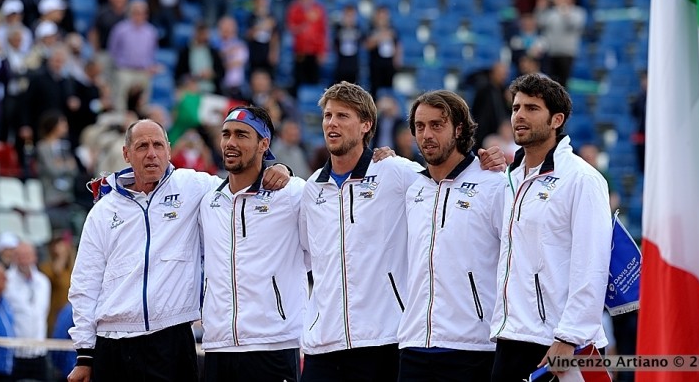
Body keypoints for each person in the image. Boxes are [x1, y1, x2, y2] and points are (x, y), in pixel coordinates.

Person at [299, 82, 505, 381]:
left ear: (366, 125)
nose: (332, 122)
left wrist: (489, 162)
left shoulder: (397, 173)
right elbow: (309, 253)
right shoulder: (311, 188)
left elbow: (446, 175)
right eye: (328, 115)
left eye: (343, 116)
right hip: (323, 342)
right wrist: (276, 167)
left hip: (385, 337)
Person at [67, 119, 291, 382]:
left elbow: (241, 182)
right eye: (142, 146)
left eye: (158, 145)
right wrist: (85, 354)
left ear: (169, 150)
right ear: (126, 154)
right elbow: (85, 282)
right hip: (113, 342)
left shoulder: (194, 187)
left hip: (172, 339)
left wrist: (277, 167)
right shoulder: (104, 210)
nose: (152, 153)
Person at [490, 73, 612, 382]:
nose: (519, 115)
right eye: (516, 108)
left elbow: (592, 263)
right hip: (511, 336)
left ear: (556, 119)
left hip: (561, 343)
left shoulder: (582, 179)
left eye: (531, 108)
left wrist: (570, 335)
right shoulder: (510, 180)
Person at [398, 90, 505, 380]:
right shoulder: (414, 189)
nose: (427, 134)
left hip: (472, 346)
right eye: (420, 127)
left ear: (458, 129)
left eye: (436, 125)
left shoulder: (493, 184)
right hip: (414, 343)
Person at [199, 106, 308, 381]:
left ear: (264, 143)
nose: (231, 143)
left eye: (242, 135)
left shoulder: (292, 193)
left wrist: (285, 169)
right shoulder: (208, 199)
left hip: (274, 344)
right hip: (218, 345)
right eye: (226, 134)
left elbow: (316, 255)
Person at [4, 241, 51, 381]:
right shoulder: (6, 281)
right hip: (16, 354)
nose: (24, 260)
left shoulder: (43, 282)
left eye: (27, 255)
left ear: (35, 257)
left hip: (39, 353)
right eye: (19, 256)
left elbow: (43, 314)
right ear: (14, 258)